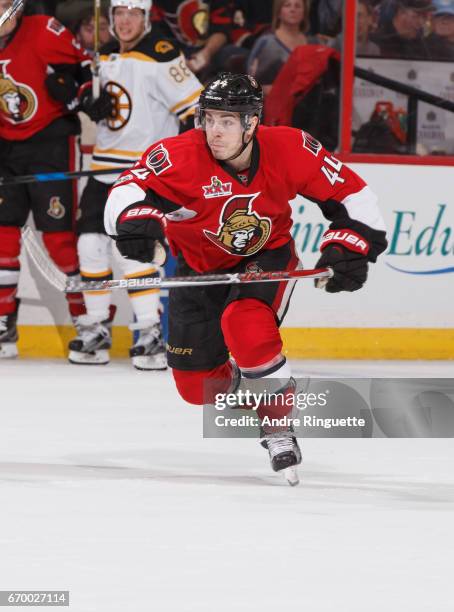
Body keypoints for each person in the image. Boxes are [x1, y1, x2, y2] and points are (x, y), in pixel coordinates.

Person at [103, 73, 388, 480]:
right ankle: (259, 387)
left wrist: (349, 245)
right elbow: (128, 189)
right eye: (209, 119)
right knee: (196, 387)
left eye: (227, 121)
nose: (213, 132)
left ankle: (277, 423)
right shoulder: (179, 156)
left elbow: (352, 194)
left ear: (252, 123)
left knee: (246, 325)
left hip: (266, 258)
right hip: (198, 271)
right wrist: (135, 221)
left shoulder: (289, 148)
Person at [71, 0, 203, 369]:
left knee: (134, 248)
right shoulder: (107, 57)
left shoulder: (162, 56)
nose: (125, 21)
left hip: (142, 173)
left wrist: (188, 161)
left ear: (145, 18)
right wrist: (86, 99)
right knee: (90, 244)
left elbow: (195, 109)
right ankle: (96, 327)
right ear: (110, 18)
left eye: (133, 14)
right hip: (101, 169)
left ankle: (148, 331)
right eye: (119, 14)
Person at [0, 0, 109, 359]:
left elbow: (84, 71)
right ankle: (3, 323)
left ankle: (90, 322)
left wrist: (78, 95)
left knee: (60, 239)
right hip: (4, 146)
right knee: (2, 236)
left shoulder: (43, 29)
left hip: (49, 141)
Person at [247, 0, 323, 93]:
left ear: (304, 13)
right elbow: (251, 85)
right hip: (273, 101)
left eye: (298, 6)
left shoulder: (313, 44)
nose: (293, 10)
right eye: (287, 5)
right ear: (278, 12)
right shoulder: (265, 42)